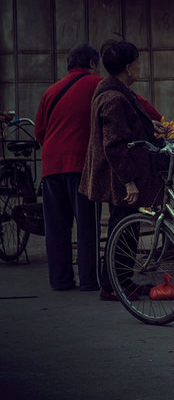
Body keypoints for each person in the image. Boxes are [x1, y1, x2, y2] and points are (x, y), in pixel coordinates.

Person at [80, 39, 166, 301]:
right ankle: (113, 285)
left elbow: (129, 129)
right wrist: (128, 181)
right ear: (129, 67)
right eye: (138, 62)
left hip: (122, 174)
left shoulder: (117, 93)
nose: (140, 66)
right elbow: (115, 144)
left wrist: (150, 127)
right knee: (123, 230)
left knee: (126, 230)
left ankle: (122, 281)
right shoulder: (113, 98)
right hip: (119, 176)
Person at [35, 44, 103, 292]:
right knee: (87, 226)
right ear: (92, 63)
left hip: (51, 166)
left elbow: (39, 131)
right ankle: (88, 280)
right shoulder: (98, 84)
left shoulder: (51, 91)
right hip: (81, 165)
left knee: (56, 228)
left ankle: (60, 281)